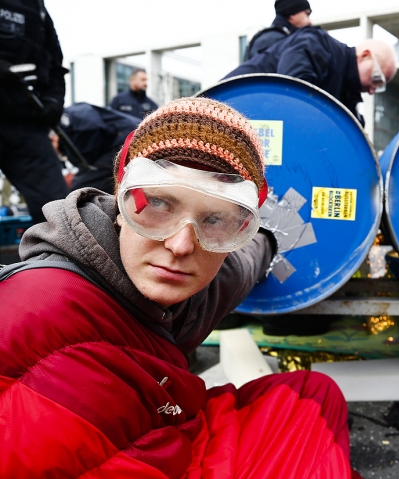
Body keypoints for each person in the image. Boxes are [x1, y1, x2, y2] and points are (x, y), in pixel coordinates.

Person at [0, 97, 354, 478]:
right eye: (157, 204)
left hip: (164, 440)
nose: (181, 245)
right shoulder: (40, 314)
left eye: (215, 219)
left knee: (312, 396)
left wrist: (267, 240)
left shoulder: (172, 293)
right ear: (121, 202)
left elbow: (236, 271)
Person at [225, 27, 397, 126]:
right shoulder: (316, 44)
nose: (373, 90)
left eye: (380, 86)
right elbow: (291, 95)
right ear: (365, 55)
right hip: (226, 107)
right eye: (377, 79)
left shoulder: (346, 91)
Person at [0, 0, 69, 224]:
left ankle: (54, 259)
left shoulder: (36, 7)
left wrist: (54, 101)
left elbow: (56, 65)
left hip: (28, 124)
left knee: (58, 212)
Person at [244, 0, 312, 60]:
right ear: (292, 13)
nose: (310, 22)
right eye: (307, 14)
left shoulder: (284, 37)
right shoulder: (270, 39)